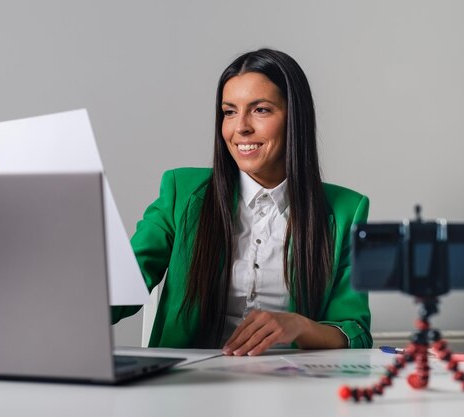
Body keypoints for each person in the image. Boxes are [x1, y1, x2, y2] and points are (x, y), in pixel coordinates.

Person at [111, 48, 371, 355]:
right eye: (229, 111)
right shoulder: (181, 192)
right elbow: (123, 286)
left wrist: (299, 325)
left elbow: (354, 332)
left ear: (294, 118)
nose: (240, 127)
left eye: (260, 110)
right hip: (190, 388)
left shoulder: (346, 211)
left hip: (291, 389)